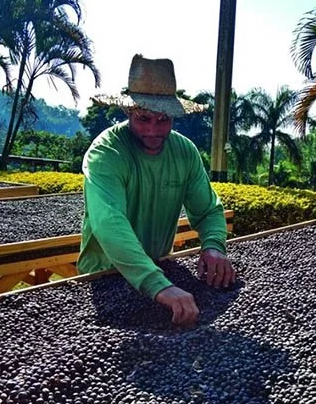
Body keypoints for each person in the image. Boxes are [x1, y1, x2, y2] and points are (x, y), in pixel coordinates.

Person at [77, 54, 235, 327]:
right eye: (143, 118)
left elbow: (208, 210)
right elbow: (109, 222)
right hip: (106, 276)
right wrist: (157, 285)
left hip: (159, 268)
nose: (153, 129)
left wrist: (213, 246)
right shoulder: (107, 152)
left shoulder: (184, 152)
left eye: (163, 119)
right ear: (128, 112)